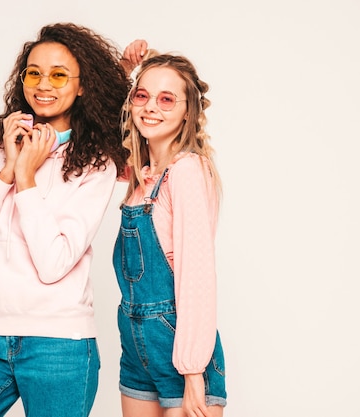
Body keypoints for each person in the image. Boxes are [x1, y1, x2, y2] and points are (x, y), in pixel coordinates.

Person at [0, 23, 133, 417]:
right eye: (34, 73)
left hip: (60, 345)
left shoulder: (95, 163)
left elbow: (54, 263)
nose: (43, 84)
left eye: (58, 74)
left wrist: (26, 178)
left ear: (82, 85)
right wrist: (7, 170)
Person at [114, 41, 227, 417]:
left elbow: (196, 275)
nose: (150, 107)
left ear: (187, 112)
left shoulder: (187, 171)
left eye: (166, 99)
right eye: (142, 95)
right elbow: (94, 135)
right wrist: (121, 70)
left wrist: (193, 368)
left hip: (180, 345)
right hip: (135, 348)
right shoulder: (142, 177)